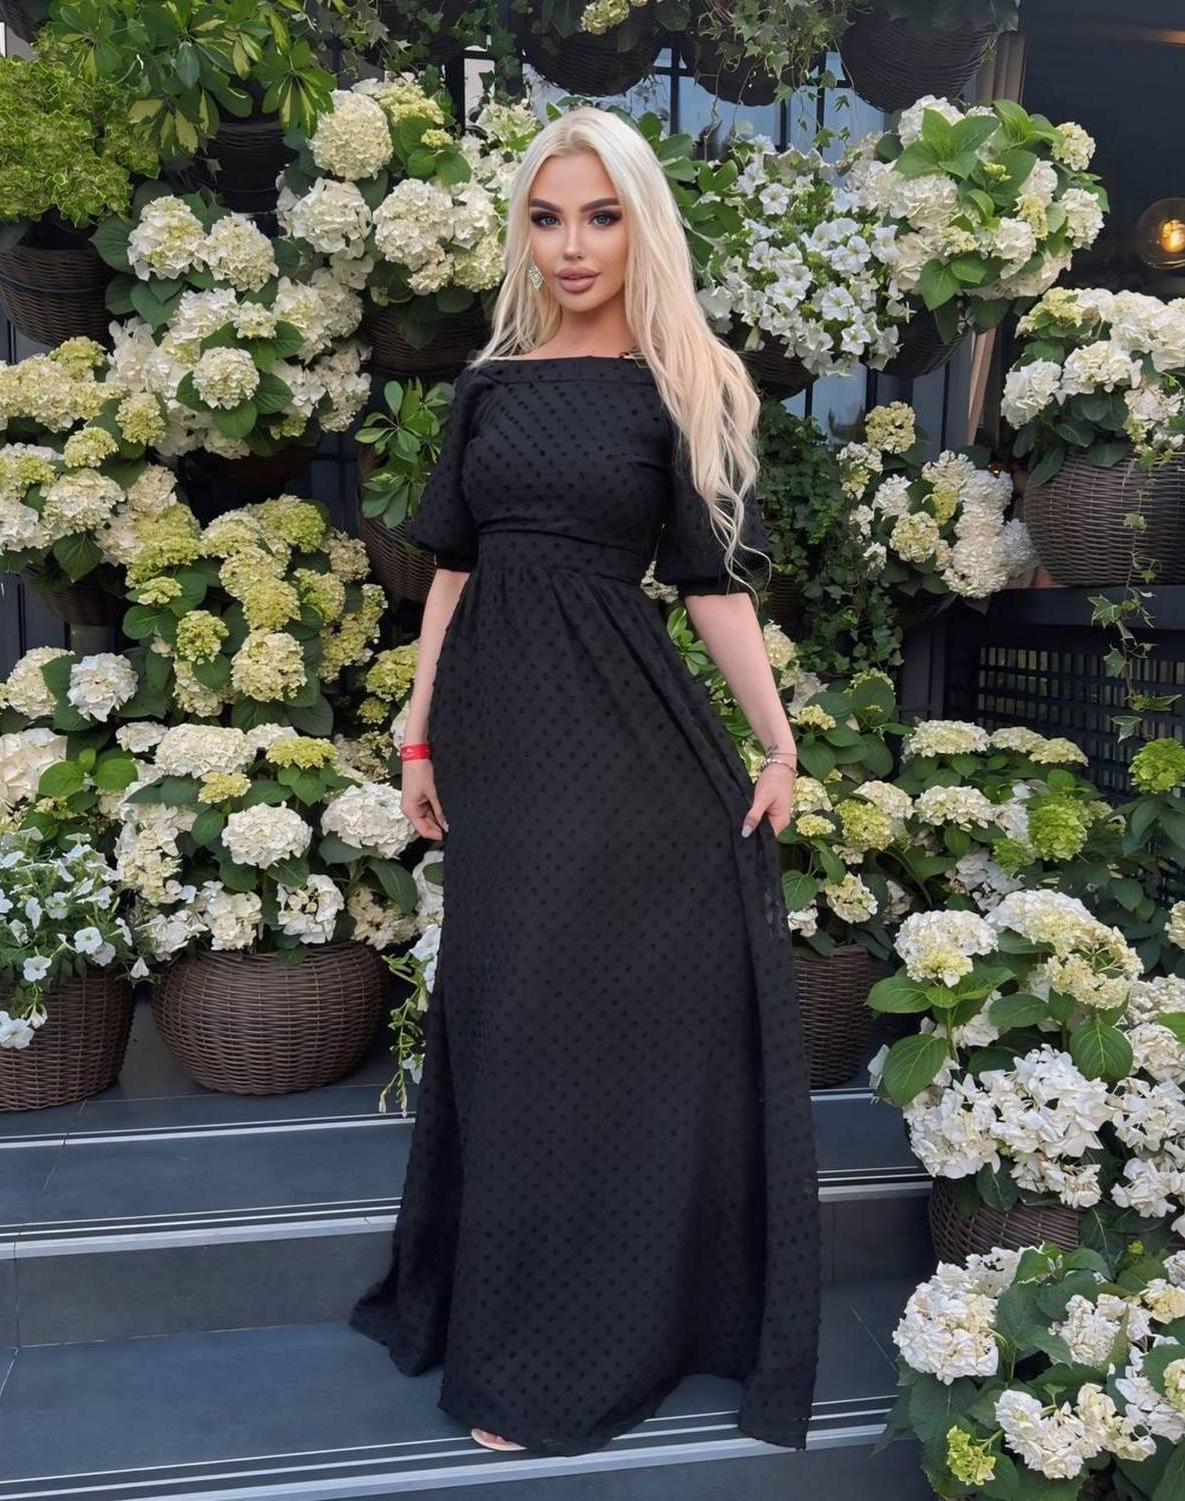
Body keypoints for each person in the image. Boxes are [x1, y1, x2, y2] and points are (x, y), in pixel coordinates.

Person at [347, 103, 822, 1459]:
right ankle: (509, 1317)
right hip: (501, 738)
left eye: (601, 217)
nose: (572, 245)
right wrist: (418, 733)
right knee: (508, 1019)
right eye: (548, 218)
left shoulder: (685, 384)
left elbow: (713, 588)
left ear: (640, 227)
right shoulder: (491, 386)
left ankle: (576, 1347)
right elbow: (452, 573)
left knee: (592, 1026)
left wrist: (778, 743)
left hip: (623, 740)